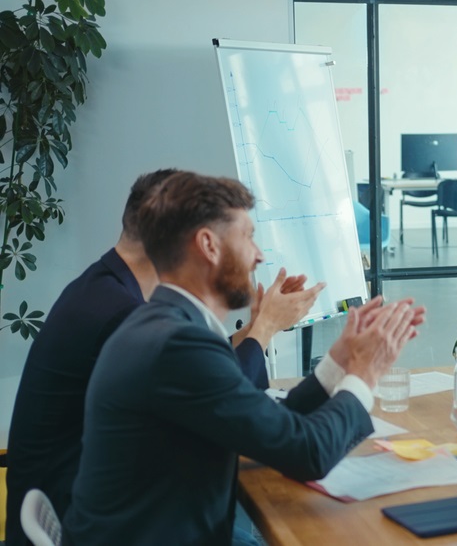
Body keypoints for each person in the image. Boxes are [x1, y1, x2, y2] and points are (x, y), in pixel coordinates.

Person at [61, 171, 425, 544]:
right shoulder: (178, 346)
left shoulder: (169, 325)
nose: (260, 254)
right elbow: (308, 452)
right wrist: (364, 373)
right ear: (209, 245)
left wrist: (339, 363)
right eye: (248, 236)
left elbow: (270, 422)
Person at [4, 169, 317, 546]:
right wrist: (263, 330)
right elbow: (223, 406)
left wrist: (254, 329)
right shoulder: (117, 311)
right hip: (101, 518)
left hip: (85, 501)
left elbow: (200, 374)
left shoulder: (107, 286)